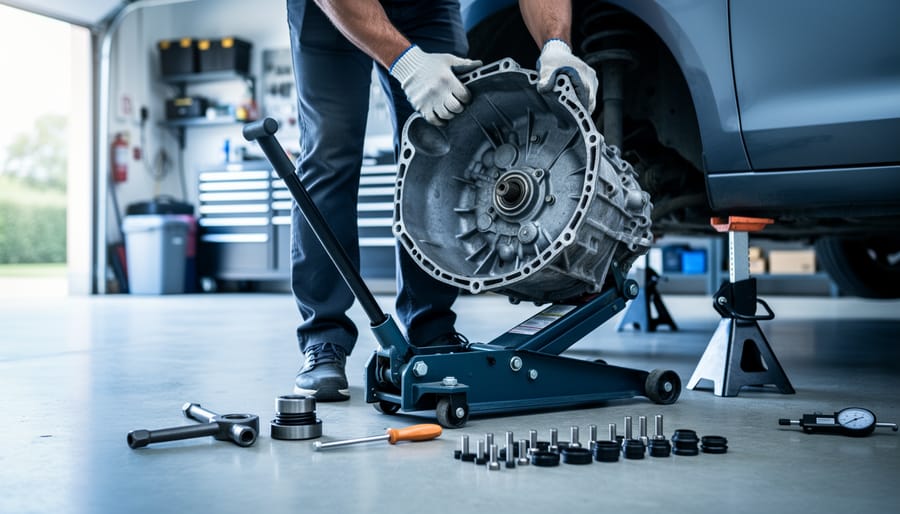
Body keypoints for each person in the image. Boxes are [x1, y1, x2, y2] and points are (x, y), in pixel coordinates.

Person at [287, 0, 599, 401]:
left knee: (446, 142)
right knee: (330, 154)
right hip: (330, 11)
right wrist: (406, 64)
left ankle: (430, 327)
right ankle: (323, 338)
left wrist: (556, 45)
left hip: (425, 8)